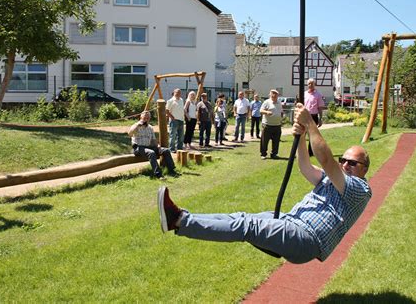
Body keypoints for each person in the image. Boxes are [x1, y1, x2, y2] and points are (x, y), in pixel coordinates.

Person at [157, 103, 372, 264]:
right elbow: (306, 168)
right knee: (241, 218)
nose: (344, 165)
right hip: (290, 222)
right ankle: (182, 218)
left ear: (364, 169)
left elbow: (326, 160)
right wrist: (301, 138)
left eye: (352, 163)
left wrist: (310, 123)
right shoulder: (329, 180)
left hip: (307, 238)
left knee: (246, 226)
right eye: (343, 160)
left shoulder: (359, 189)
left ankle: (178, 221)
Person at [128, 111, 176, 179]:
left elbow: (153, 140)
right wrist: (137, 125)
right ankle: (158, 174)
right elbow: (129, 134)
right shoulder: (136, 125)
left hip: (148, 147)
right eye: (144, 118)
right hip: (138, 148)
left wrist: (158, 146)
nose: (146, 120)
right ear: (141, 117)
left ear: (149, 118)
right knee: (151, 153)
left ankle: (172, 170)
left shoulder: (150, 127)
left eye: (148, 118)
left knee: (166, 150)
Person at [304, 78, 325, 156]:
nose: (310, 85)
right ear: (307, 84)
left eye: (312, 83)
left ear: (315, 85)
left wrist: (320, 118)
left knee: (312, 135)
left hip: (313, 116)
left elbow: (320, 107)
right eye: (309, 83)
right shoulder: (304, 94)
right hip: (305, 116)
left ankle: (310, 152)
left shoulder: (318, 94)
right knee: (302, 135)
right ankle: (301, 151)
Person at [260, 89, 283, 160]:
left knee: (276, 141)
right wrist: (267, 112)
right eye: (273, 94)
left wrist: (281, 117)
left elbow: (281, 111)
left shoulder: (279, 103)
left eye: (276, 94)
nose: (274, 95)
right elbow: (261, 110)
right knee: (264, 140)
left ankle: (274, 154)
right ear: (270, 95)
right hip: (267, 125)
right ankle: (263, 154)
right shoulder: (267, 102)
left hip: (277, 125)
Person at [166, 88, 185, 152]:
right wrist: (172, 117)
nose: (178, 93)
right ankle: (172, 149)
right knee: (173, 136)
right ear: (174, 93)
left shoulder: (181, 100)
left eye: (179, 92)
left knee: (181, 136)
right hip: (174, 120)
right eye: (177, 92)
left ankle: (180, 148)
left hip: (181, 120)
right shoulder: (170, 101)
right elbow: (166, 111)